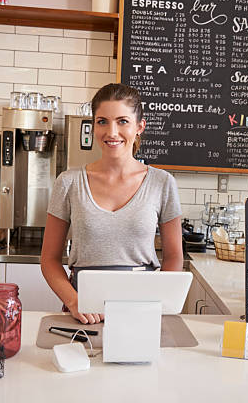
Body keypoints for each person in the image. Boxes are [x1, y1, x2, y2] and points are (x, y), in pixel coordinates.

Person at [40, 83, 183, 325]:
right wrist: (74, 302)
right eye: (102, 121)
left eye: (122, 121)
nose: (112, 132)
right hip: (83, 311)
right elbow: (49, 260)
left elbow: (174, 257)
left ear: (139, 127)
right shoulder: (69, 183)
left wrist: (155, 302)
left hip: (141, 307)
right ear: (93, 125)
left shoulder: (162, 182)